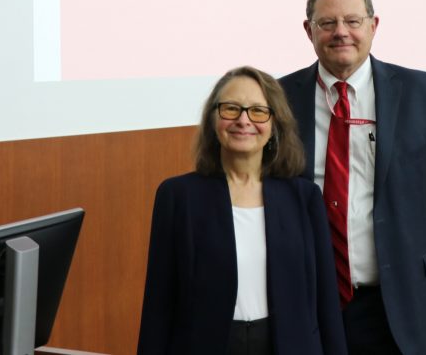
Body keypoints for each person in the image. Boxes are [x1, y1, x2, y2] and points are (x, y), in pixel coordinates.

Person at [279, 0, 426, 355]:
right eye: (327, 23)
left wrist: (416, 251)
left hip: (399, 297)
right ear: (308, 30)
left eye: (352, 21)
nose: (341, 33)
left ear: (373, 25)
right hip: (312, 299)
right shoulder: (279, 98)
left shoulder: (425, 93)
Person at [137, 66, 347, 355]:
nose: (243, 120)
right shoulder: (177, 197)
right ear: (213, 119)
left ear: (275, 124)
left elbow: (326, 303)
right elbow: (159, 306)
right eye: (231, 108)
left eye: (258, 111)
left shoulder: (304, 197)